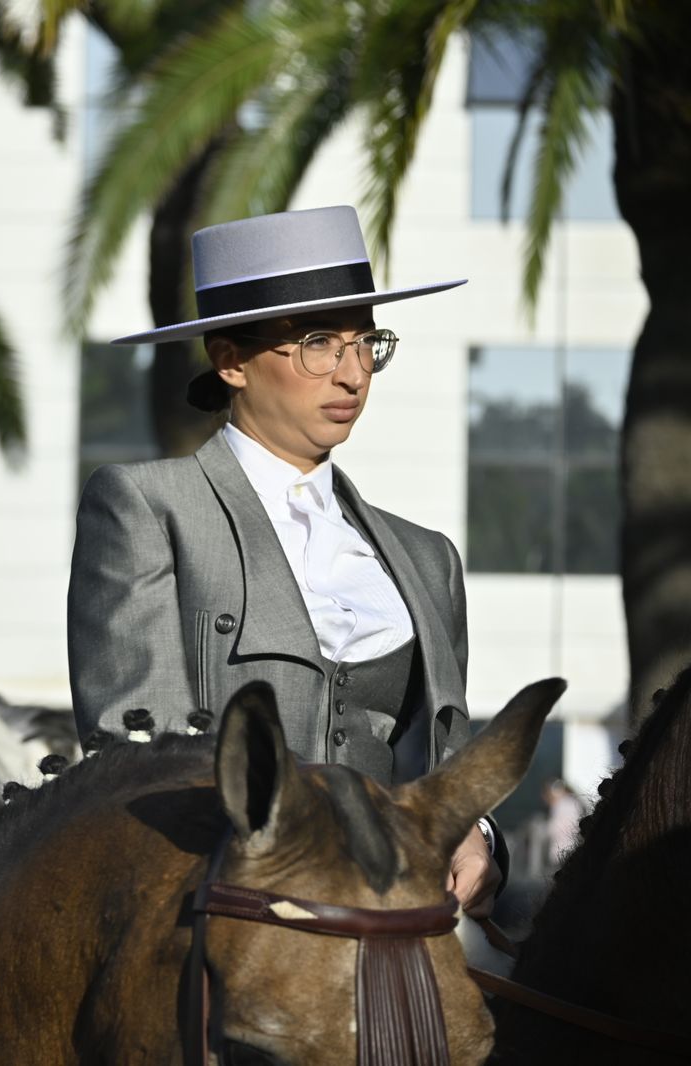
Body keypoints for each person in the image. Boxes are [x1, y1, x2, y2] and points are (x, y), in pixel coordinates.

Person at [67, 205, 505, 914]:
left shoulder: (429, 561)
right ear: (230, 359)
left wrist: (475, 834)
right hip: (217, 919)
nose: (353, 373)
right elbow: (135, 746)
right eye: (318, 342)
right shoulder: (147, 506)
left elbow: (444, 764)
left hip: (394, 921)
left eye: (367, 343)